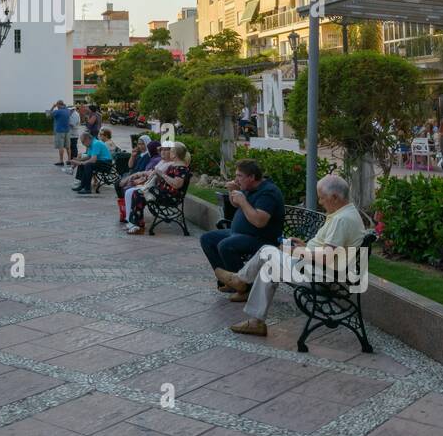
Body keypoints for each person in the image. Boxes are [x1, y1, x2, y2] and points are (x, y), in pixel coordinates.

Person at [219, 174, 367, 338]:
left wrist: (294, 251)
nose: (320, 202)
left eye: (322, 198)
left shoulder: (342, 220)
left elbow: (327, 257)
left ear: (334, 197)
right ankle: (255, 320)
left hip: (323, 278)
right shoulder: (346, 213)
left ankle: (240, 281)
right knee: (269, 265)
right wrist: (305, 246)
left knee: (267, 252)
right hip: (318, 270)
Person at [199, 160, 285, 278]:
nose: (236, 179)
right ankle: (227, 280)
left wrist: (243, 200)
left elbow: (259, 222)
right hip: (241, 233)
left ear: (252, 177)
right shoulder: (249, 186)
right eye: (236, 175)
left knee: (226, 245)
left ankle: (244, 284)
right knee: (207, 239)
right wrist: (233, 191)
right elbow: (236, 204)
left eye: (240, 176)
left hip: (262, 239)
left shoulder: (268, 193)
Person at [126, 140, 193, 234]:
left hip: (170, 197)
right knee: (138, 193)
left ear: (175, 154)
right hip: (164, 193)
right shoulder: (175, 166)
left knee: (138, 194)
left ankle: (138, 225)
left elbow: (177, 185)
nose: (170, 153)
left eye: (171, 151)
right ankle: (136, 224)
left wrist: (162, 175)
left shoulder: (181, 168)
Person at [123, 142, 166, 230]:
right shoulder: (161, 160)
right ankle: (130, 220)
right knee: (129, 191)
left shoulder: (159, 160)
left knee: (134, 192)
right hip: (150, 184)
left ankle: (137, 223)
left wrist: (138, 178)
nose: (162, 152)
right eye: (161, 150)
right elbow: (148, 172)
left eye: (165, 150)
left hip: (159, 190)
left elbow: (156, 176)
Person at [71, 130, 112, 194]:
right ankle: (82, 185)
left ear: (87, 139)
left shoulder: (96, 144)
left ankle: (87, 189)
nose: (83, 144)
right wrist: (78, 160)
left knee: (88, 165)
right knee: (85, 163)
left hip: (106, 163)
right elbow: (89, 156)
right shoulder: (91, 144)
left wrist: (81, 163)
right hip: (101, 162)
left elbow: (93, 160)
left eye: (83, 142)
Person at [47, 100, 73, 169]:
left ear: (58, 105)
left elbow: (48, 115)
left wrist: (53, 107)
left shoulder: (57, 111)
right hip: (67, 131)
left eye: (57, 105)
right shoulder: (67, 110)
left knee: (61, 147)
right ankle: (69, 160)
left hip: (59, 131)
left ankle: (61, 161)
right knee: (68, 146)